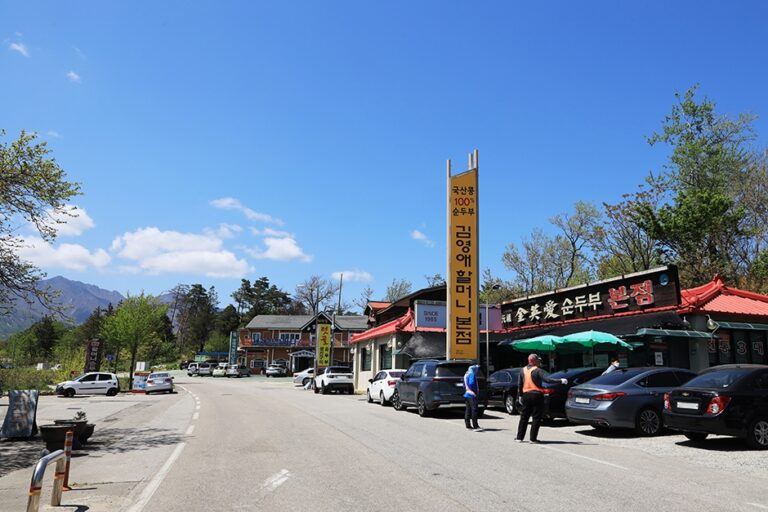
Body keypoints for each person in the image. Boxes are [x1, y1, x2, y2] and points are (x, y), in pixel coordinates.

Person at [516, 354, 568, 443]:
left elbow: (520, 384)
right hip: (536, 395)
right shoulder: (538, 370)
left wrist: (520, 395)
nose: (539, 362)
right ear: (533, 361)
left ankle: (519, 438)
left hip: (526, 395)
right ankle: (533, 439)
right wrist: (560, 380)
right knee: (536, 417)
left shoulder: (522, 370)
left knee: (524, 417)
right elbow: (547, 380)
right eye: (538, 360)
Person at [463, 364, 482, 431]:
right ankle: (475, 426)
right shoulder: (472, 374)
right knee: (474, 409)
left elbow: (464, 385)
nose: (477, 370)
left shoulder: (466, 374)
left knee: (468, 409)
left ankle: (468, 425)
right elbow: (471, 383)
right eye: (476, 369)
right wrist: (474, 391)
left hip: (466, 394)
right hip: (471, 394)